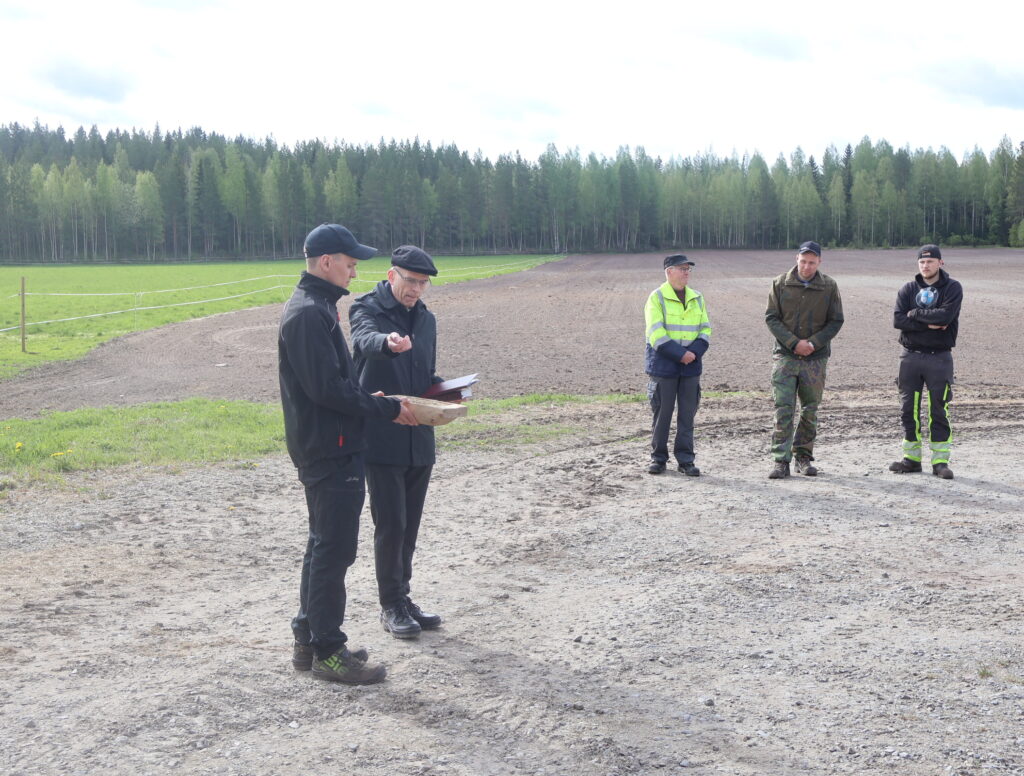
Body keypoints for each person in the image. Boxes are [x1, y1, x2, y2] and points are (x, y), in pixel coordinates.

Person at [279, 223, 418, 685]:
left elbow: (334, 385)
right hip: (329, 448)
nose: (355, 271)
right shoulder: (308, 314)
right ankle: (328, 651)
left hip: (330, 442)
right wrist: (385, 407)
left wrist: (368, 400)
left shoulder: (316, 307)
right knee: (334, 550)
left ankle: (308, 638)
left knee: (323, 544)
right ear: (326, 262)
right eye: (350, 263)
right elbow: (327, 390)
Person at [350, 245, 445, 639]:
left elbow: (425, 374)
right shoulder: (366, 308)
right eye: (411, 281)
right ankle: (390, 604)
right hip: (382, 435)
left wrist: (447, 392)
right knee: (390, 524)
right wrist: (386, 343)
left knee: (410, 525)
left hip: (419, 436)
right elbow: (364, 339)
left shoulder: (427, 320)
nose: (416, 289)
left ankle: (403, 597)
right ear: (392, 276)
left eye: (423, 283)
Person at [764, 241, 844, 479]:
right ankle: (781, 460)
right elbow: (771, 317)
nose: (807, 267)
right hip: (785, 356)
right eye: (803, 261)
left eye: (812, 262)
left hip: (815, 359)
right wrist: (793, 343)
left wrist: (813, 343)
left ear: (819, 262)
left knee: (810, 409)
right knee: (784, 408)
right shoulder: (780, 284)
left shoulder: (829, 286)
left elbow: (836, 320)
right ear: (796, 259)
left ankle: (803, 457)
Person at [889, 244, 963, 479]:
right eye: (922, 262)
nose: (925, 265)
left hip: (939, 357)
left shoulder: (952, 288)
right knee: (907, 410)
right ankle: (911, 459)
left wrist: (915, 314)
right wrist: (928, 324)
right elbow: (898, 320)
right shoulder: (908, 289)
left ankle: (940, 462)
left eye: (930, 261)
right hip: (910, 357)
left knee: (938, 409)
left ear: (940, 262)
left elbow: (945, 316)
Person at [644, 254, 712, 476]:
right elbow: (656, 333)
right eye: (682, 269)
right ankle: (658, 459)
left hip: (691, 366)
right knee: (662, 414)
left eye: (688, 269)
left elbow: (705, 329)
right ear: (669, 271)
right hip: (664, 366)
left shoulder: (697, 298)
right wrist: (680, 354)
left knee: (687, 415)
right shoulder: (656, 298)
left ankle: (686, 460)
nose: (686, 273)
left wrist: (693, 353)